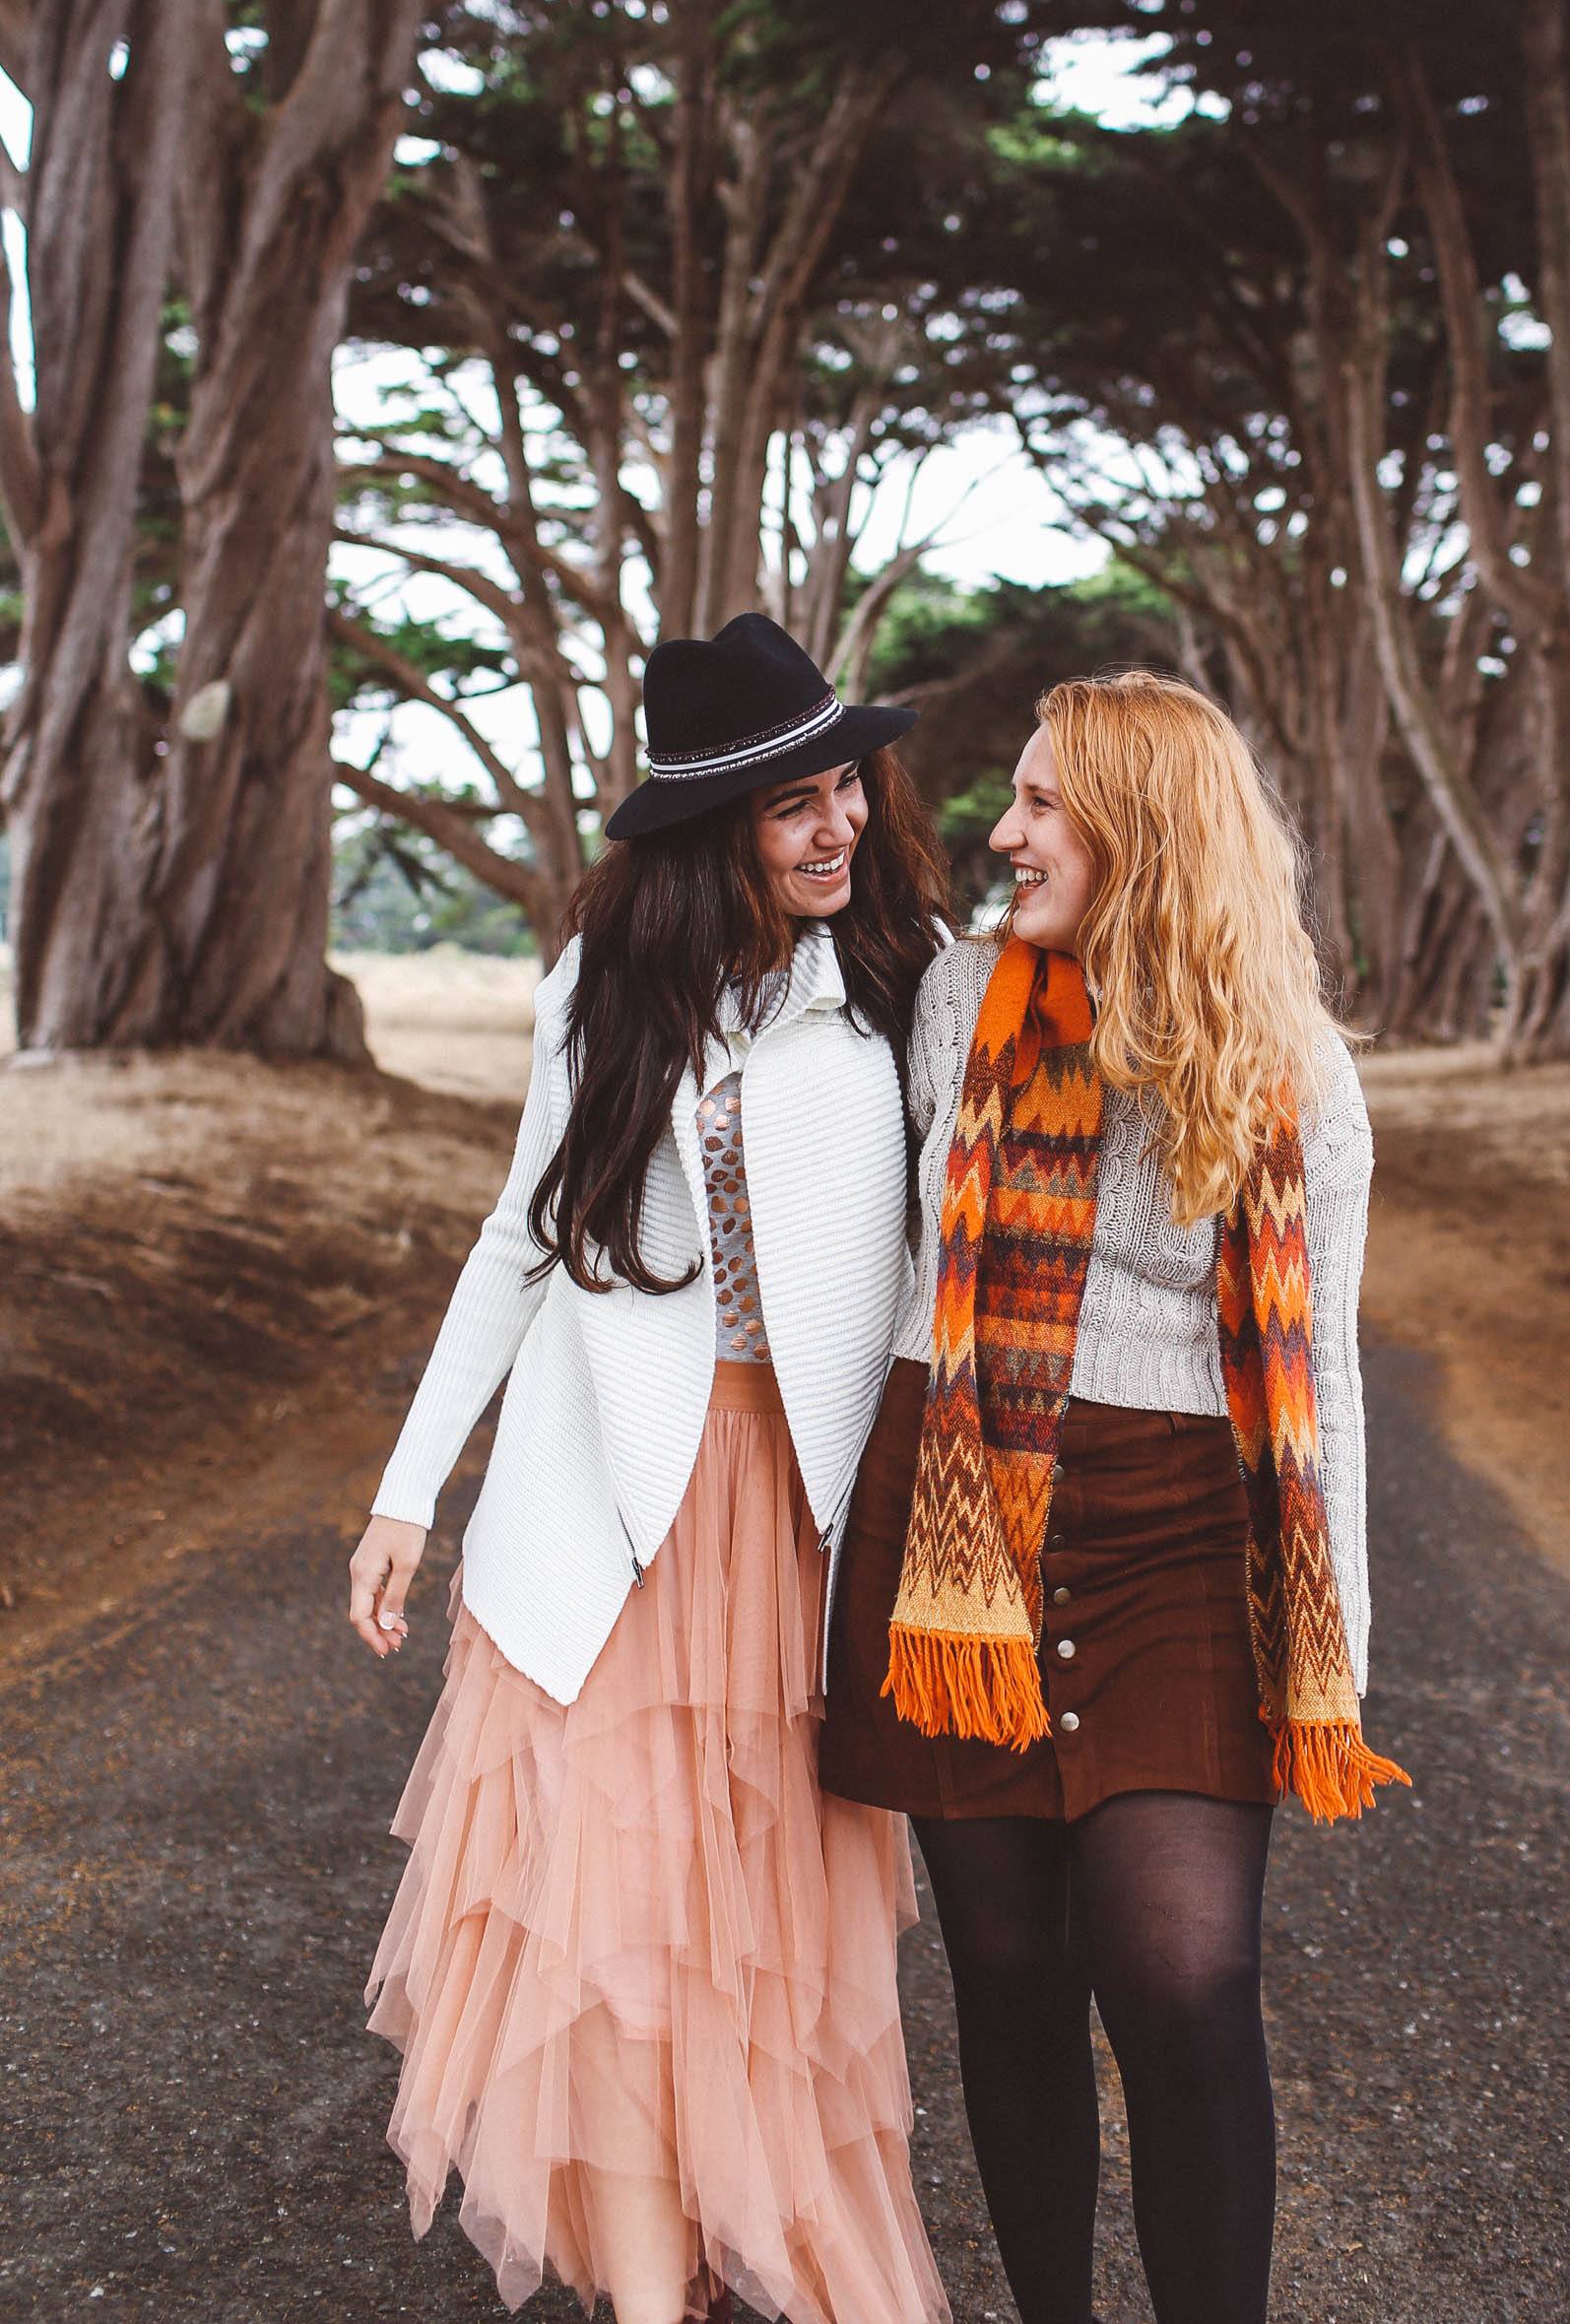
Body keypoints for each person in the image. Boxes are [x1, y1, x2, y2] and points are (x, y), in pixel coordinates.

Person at [349, 615, 953, 2324]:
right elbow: (515, 1248)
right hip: (603, 1503)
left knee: (767, 1934)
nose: (838, 826)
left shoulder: (903, 980)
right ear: (714, 836)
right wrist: (410, 1490)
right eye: (794, 808)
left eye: (847, 787)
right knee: (609, 1924)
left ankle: (790, 2244)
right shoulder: (601, 990)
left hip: (797, 1511)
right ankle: (638, 2293)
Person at [822, 669, 1406, 2324]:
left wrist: (1330, 1640)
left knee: (1187, 1985)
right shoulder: (956, 1003)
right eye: (1007, 799)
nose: (999, 834)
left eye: (1038, 804)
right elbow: (879, 1269)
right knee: (1007, 1985)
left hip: (1179, 1538)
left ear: (1140, 825)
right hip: (962, 1529)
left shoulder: (1297, 1071)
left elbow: (1328, 1381)